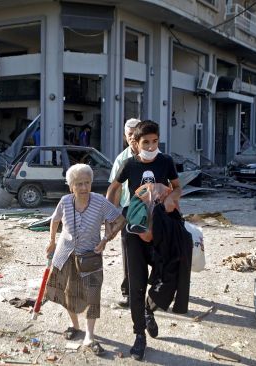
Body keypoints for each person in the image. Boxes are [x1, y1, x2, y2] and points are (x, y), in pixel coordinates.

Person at [106, 120, 183, 361]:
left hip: (160, 228)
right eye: (145, 142)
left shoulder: (166, 162)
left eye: (154, 141)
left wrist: (172, 198)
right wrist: (113, 214)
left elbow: (178, 187)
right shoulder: (129, 164)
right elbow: (113, 188)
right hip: (135, 229)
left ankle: (150, 309)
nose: (151, 146)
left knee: (168, 277)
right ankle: (139, 335)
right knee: (136, 284)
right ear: (136, 145)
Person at [45, 164, 125, 355]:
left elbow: (120, 219)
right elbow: (55, 220)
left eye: (87, 183)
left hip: (90, 256)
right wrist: (52, 241)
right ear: (71, 186)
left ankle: (90, 335)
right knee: (66, 291)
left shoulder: (99, 201)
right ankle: (74, 326)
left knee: (93, 294)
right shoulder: (65, 201)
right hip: (65, 255)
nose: (83, 188)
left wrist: (106, 238)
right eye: (79, 184)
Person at [106, 117, 140, 308]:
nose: (133, 139)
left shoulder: (154, 155)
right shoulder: (122, 159)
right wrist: (111, 217)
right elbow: (115, 189)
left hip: (151, 210)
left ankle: (158, 290)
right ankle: (128, 293)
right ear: (125, 137)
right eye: (129, 135)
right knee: (129, 253)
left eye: (136, 134)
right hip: (130, 210)